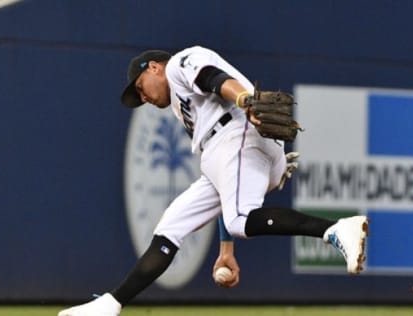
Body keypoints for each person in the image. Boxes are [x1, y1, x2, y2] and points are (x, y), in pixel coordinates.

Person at [58, 46, 369, 316]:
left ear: (153, 67)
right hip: (228, 151)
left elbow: (212, 77)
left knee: (240, 219)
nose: (143, 97)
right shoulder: (184, 110)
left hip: (239, 132)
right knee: (171, 227)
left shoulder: (180, 62)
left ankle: (334, 229)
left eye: (141, 87)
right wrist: (226, 249)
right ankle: (111, 303)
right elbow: (223, 183)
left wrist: (245, 99)